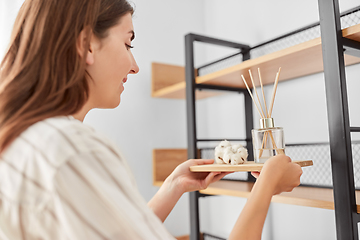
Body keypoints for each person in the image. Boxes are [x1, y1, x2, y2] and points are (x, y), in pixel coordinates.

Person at [0, 0, 303, 239]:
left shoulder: (26, 139)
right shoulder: (70, 149)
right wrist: (266, 185)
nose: (134, 67)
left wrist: (173, 186)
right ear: (87, 44)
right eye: (128, 43)